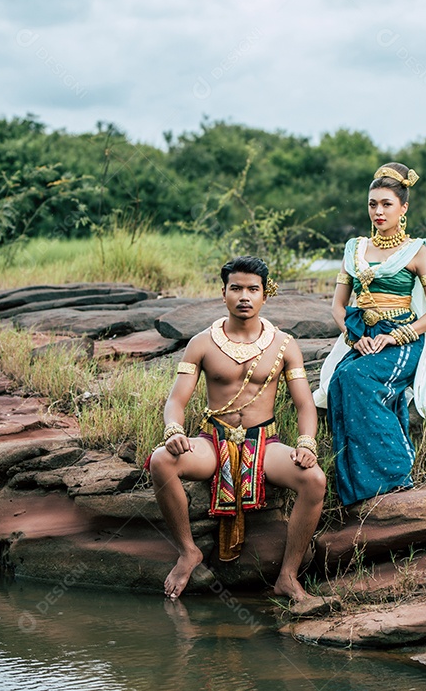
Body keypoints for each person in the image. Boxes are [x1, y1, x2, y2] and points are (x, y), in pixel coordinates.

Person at [146, 256, 326, 604]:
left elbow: (305, 404)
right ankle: (188, 551)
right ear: (223, 292)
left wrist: (307, 444)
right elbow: (176, 400)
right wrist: (173, 431)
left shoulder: (284, 344)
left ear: (265, 294)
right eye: (237, 288)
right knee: (160, 461)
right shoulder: (201, 342)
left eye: (252, 289)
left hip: (264, 443)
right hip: (213, 441)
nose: (244, 296)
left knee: (314, 480)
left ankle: (287, 576)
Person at [314, 163, 426, 507]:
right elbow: (338, 307)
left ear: (404, 207)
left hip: (403, 338)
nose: (378, 211)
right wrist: (354, 338)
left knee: (356, 378)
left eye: (386, 204)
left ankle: (396, 475)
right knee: (339, 381)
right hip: (364, 336)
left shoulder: (418, 251)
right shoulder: (355, 248)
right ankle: (355, 490)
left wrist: (397, 336)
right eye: (372, 204)